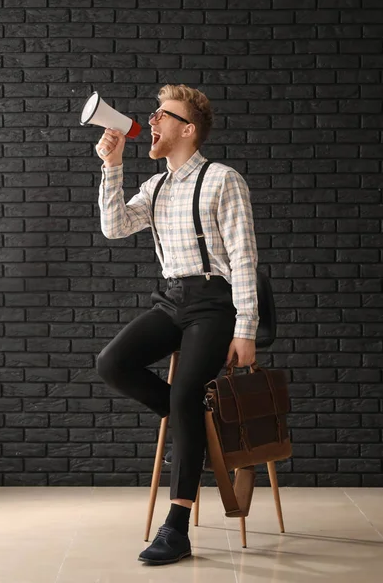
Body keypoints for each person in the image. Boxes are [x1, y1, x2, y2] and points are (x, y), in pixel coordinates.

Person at [95, 84, 259, 565]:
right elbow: (115, 227)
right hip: (170, 301)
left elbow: (245, 260)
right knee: (112, 363)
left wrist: (245, 328)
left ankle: (177, 528)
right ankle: (196, 422)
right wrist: (111, 167)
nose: (152, 121)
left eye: (161, 115)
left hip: (214, 303)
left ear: (187, 128)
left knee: (186, 396)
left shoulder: (223, 179)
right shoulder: (157, 186)